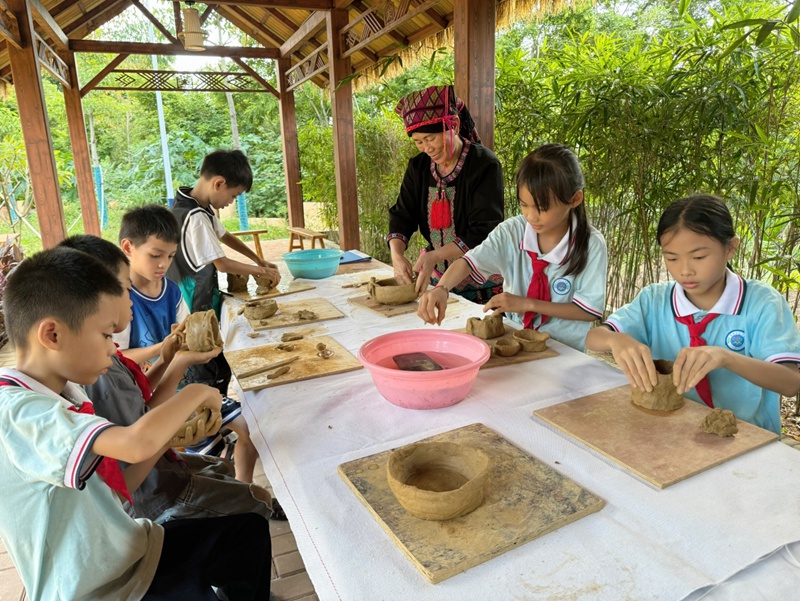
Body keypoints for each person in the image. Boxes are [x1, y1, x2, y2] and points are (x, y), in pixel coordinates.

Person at [0, 246, 271, 600]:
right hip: (100, 589)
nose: (115, 350)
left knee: (247, 534)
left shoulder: (66, 393)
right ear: (52, 335)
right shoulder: (17, 412)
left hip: (131, 554)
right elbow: (135, 443)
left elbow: (119, 489)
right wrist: (197, 392)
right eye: (105, 336)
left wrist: (172, 411)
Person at [60, 234, 275, 525]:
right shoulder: (99, 370)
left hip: (159, 469)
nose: (131, 296)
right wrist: (180, 422)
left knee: (221, 468)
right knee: (257, 500)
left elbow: (143, 406)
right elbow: (141, 446)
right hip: (152, 494)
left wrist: (173, 359)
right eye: (126, 289)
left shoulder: (103, 355)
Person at [585, 194, 800, 433]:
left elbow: (790, 382)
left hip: (745, 437)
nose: (685, 270)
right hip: (671, 430)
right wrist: (616, 339)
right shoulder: (654, 300)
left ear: (730, 248)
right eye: (672, 258)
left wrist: (726, 357)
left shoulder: (762, 303)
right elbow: (593, 339)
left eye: (699, 257)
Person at [114, 205, 259, 483]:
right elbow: (118, 359)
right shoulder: (119, 299)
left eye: (170, 257)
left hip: (184, 383)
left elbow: (185, 333)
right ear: (128, 247)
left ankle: (246, 488)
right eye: (155, 255)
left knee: (252, 429)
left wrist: (196, 344)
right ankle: (229, 496)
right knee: (213, 456)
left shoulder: (170, 289)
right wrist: (162, 349)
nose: (163, 265)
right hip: (150, 401)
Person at [418, 144, 607, 352]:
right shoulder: (512, 232)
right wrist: (441, 289)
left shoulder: (591, 244)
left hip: (565, 352)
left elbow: (588, 311)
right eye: (524, 205)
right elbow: (468, 263)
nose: (531, 216)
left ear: (575, 199)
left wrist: (527, 304)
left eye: (542, 208)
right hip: (516, 343)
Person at [389, 84, 505, 303]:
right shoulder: (418, 167)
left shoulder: (484, 164)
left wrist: (436, 255)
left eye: (430, 139)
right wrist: (397, 255)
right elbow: (403, 214)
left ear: (453, 125)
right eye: (418, 142)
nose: (426, 148)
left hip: (483, 283)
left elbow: (485, 229)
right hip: (438, 281)